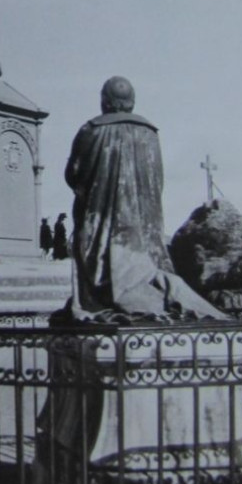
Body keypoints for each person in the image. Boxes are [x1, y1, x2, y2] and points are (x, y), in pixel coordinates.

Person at [65, 76, 223, 316]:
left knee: (92, 255)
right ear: (132, 101)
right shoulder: (150, 133)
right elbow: (156, 179)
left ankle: (106, 300)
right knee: (151, 269)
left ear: (105, 101)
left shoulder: (91, 130)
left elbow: (73, 175)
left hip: (101, 222)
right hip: (143, 225)